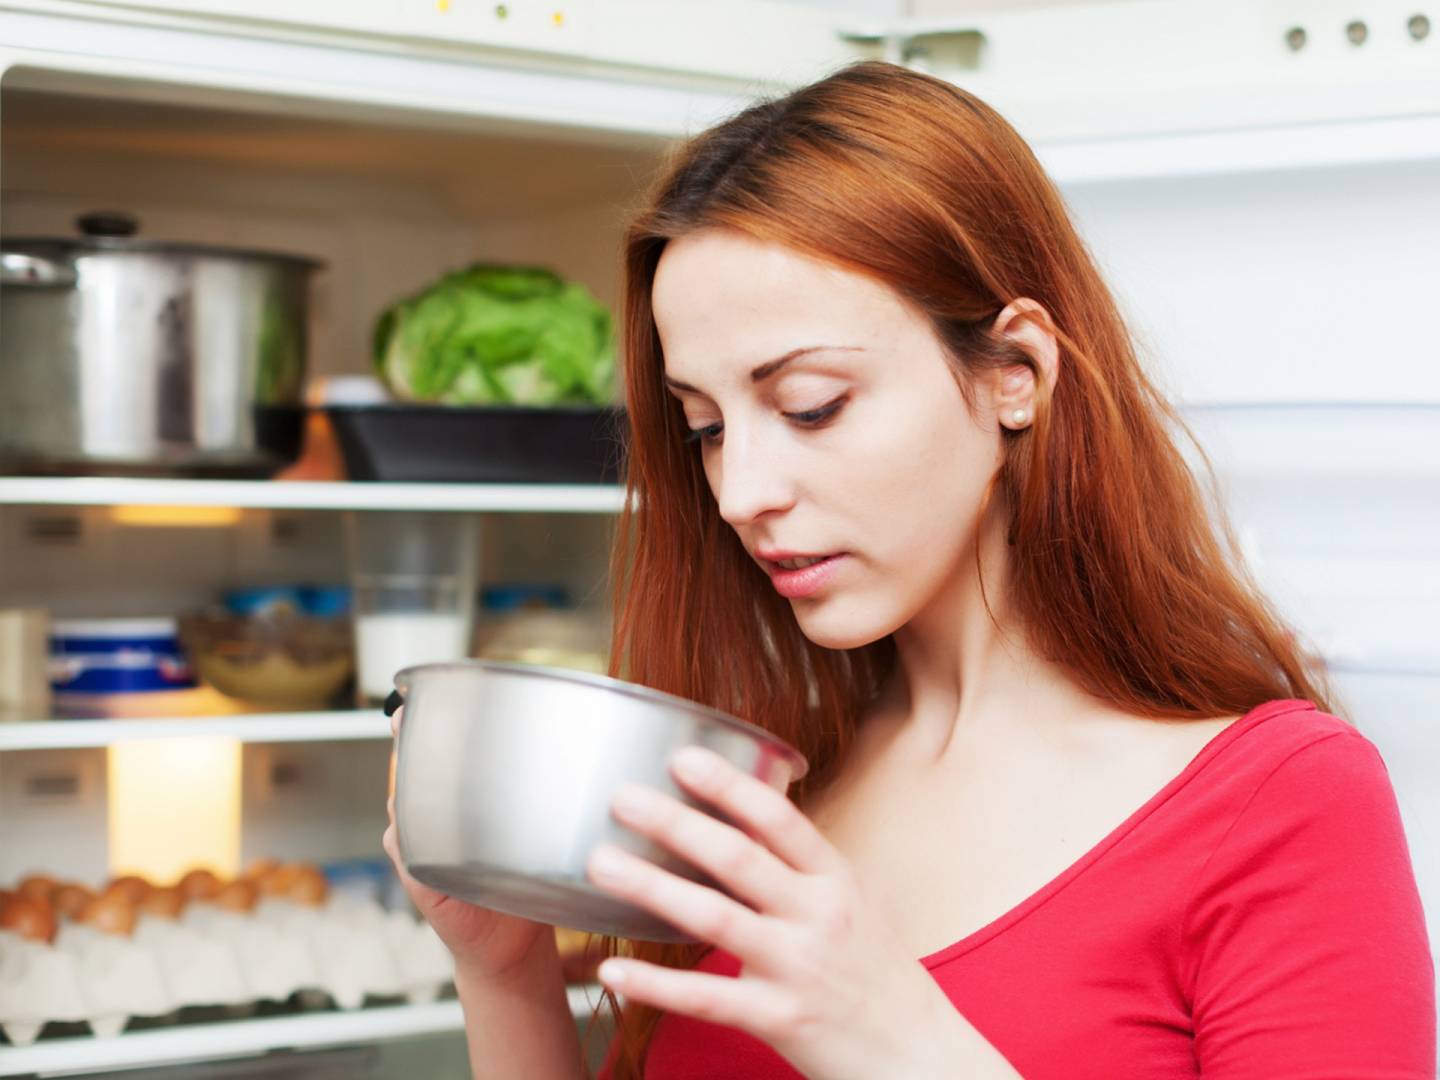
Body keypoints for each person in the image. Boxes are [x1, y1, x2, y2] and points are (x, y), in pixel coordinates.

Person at [382, 59, 1435, 1078]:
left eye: (811, 406)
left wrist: (895, 1043)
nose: (741, 488)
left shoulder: (1280, 803)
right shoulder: (770, 788)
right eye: (704, 427)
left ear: (1015, 373)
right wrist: (504, 975)